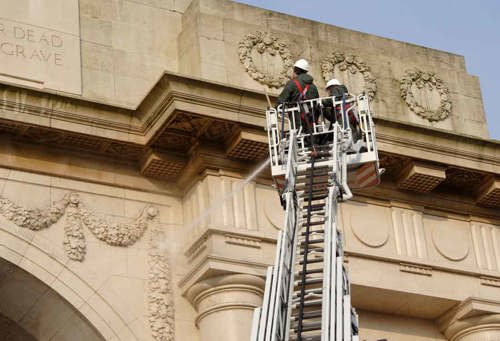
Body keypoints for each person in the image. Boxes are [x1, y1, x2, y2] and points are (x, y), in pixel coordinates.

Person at [277, 59, 319, 136]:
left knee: (299, 137)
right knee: (309, 137)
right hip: (311, 117)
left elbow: (282, 100)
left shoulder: (292, 83)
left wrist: (275, 109)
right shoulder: (313, 86)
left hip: (297, 117)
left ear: (295, 70)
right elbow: (316, 101)